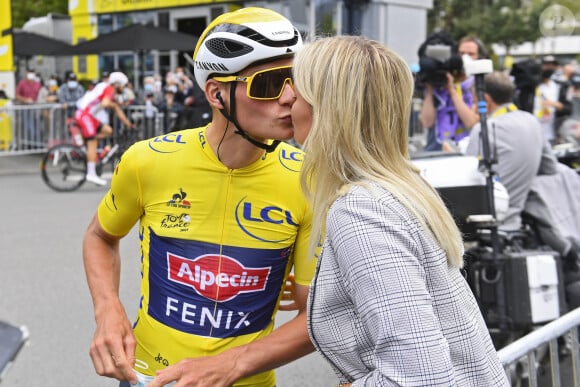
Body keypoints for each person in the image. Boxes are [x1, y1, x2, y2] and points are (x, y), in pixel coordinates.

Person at [82, 7, 316, 387]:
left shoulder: (310, 179)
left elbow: (316, 317)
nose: (290, 97)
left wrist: (234, 364)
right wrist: (108, 309)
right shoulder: (147, 161)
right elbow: (100, 236)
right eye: (269, 84)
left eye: (297, 79)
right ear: (216, 93)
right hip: (152, 377)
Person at [291, 35, 509, 386]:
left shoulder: (361, 210)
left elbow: (420, 377)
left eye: (296, 90)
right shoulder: (401, 187)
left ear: (325, 108)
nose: (286, 100)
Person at [465, 71, 559, 232]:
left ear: (486, 100)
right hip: (518, 221)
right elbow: (550, 168)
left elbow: (467, 179)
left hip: (488, 223)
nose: (472, 105)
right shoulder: (532, 121)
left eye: (473, 100)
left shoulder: (484, 129)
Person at [419, 34, 483, 151]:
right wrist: (429, 90)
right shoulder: (439, 81)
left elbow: (471, 122)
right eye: (461, 53)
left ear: (479, 57)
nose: (465, 57)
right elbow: (427, 122)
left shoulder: (478, 85)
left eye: (471, 54)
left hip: (465, 151)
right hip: (436, 151)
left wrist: (452, 90)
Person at [74, 71, 134, 186]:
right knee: (93, 142)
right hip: (85, 115)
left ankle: (88, 142)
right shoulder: (109, 89)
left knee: (108, 130)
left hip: (89, 115)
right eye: (123, 85)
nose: (124, 88)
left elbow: (116, 109)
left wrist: (129, 124)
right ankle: (91, 173)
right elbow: (106, 103)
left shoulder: (104, 86)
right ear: (117, 84)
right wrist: (109, 104)